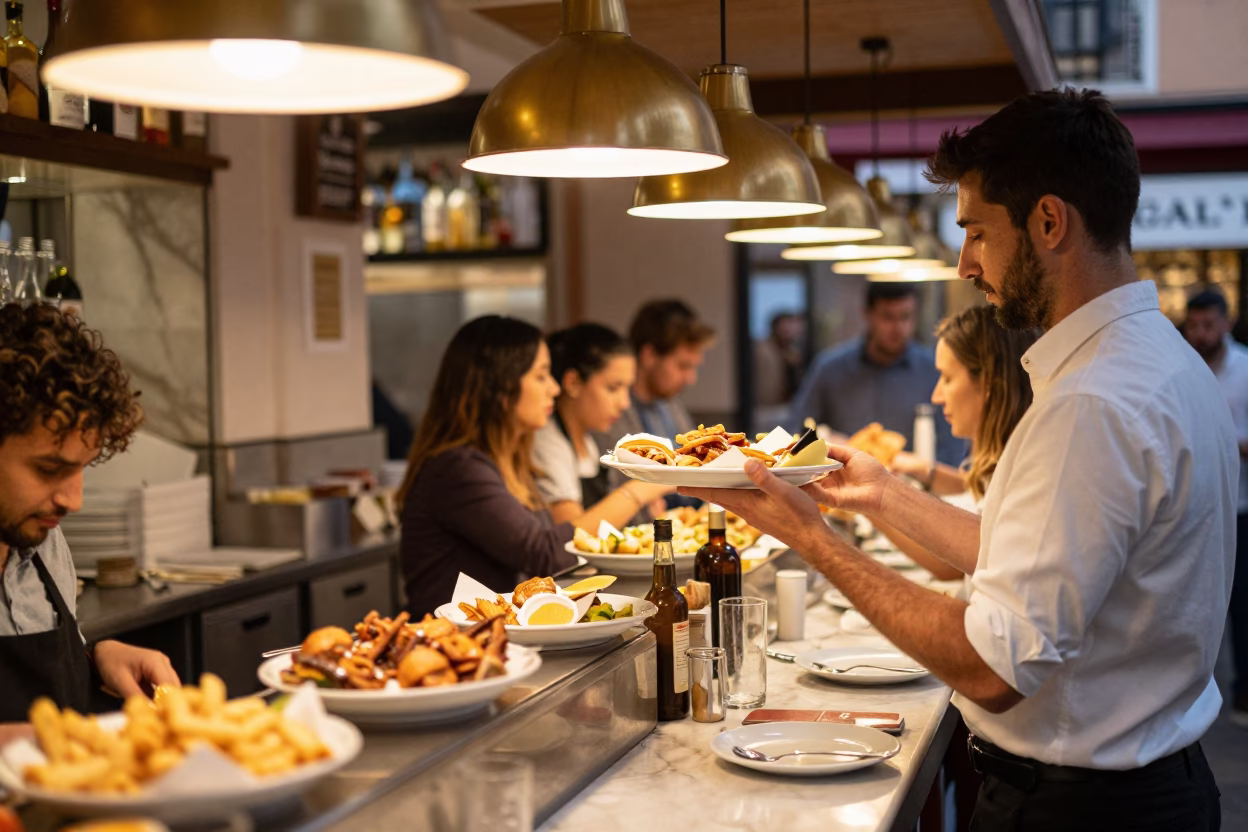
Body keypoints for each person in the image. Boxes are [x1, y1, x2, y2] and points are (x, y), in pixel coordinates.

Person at [685, 88, 1231, 830]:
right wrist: (882, 495)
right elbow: (1042, 557)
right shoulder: (1158, 359)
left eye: (976, 231)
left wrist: (814, 540)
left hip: (1081, 809)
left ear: (1048, 222)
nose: (967, 262)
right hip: (1149, 791)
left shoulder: (1092, 402)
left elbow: (993, 665)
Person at [0, 304, 180, 744]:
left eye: (82, 469)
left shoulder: (42, 542)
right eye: (48, 469)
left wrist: (97, 658)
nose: (73, 500)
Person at [398, 316, 579, 617]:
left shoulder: (511, 460)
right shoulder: (457, 468)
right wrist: (637, 489)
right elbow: (544, 553)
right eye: (541, 376)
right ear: (500, 386)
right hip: (449, 646)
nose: (555, 388)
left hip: (493, 640)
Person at [875, 305, 1041, 582]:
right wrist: (924, 470)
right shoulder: (1008, 449)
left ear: (988, 383)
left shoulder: (1027, 461)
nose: (937, 396)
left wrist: (871, 500)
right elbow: (975, 486)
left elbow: (953, 564)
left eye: (948, 378)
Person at [790, 283, 965, 466]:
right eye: (888, 317)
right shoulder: (830, 369)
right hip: (844, 481)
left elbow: (953, 446)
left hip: (914, 485)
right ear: (868, 314)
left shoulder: (934, 370)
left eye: (905, 317)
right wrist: (826, 439)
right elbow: (797, 430)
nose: (897, 327)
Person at [532, 323, 672, 532]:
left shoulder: (589, 443)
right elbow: (573, 536)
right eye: (613, 388)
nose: (625, 403)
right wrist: (644, 488)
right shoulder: (546, 443)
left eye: (627, 389)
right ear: (573, 383)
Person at [1182, 289, 1248, 728]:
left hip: (1240, 503)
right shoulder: (1181, 366)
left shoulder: (1245, 368)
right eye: (1195, 326)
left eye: (1209, 325)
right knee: (1192, 601)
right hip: (1191, 506)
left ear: (1225, 323)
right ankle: (1188, 693)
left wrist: (1223, 440)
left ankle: (1243, 690)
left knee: (1242, 601)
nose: (1202, 334)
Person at [595, 298, 715, 448]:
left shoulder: (670, 404)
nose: (691, 379)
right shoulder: (614, 413)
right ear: (649, 355)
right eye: (683, 366)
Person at [754, 312, 805, 407]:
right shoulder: (763, 351)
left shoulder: (793, 354)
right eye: (786, 326)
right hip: (767, 407)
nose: (791, 331)